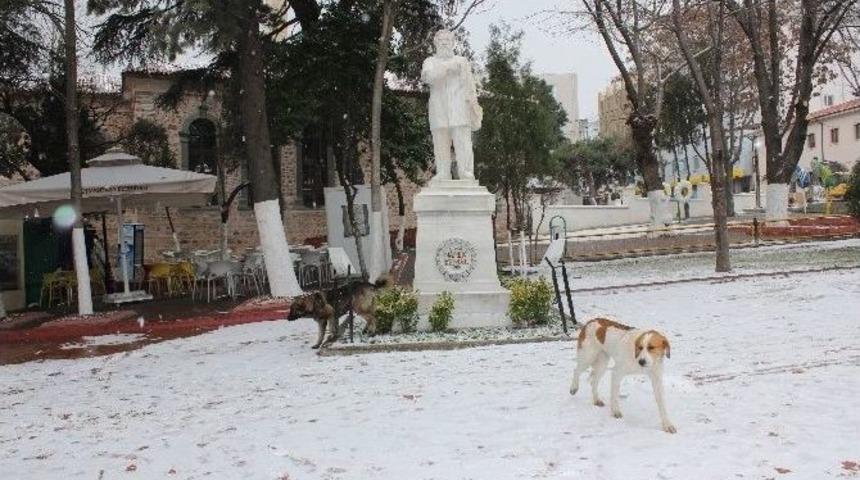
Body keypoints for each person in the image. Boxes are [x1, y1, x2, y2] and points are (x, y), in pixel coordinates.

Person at [421, 30, 482, 181]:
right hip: (439, 108)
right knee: (440, 143)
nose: (444, 43)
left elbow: (471, 85)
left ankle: (466, 172)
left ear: (453, 43)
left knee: (463, 142)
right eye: (441, 40)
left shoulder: (461, 61)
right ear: (435, 43)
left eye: (447, 40)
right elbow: (429, 78)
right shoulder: (430, 62)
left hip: (460, 107)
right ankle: (443, 173)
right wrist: (447, 67)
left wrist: (473, 105)